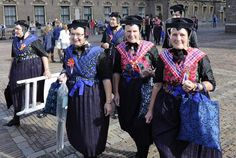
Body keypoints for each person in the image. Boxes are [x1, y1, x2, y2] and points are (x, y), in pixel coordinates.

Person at [146, 18, 222, 158]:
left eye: (182, 35)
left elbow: (211, 83)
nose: (178, 38)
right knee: (165, 144)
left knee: (187, 149)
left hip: (191, 106)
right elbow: (157, 84)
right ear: (169, 36)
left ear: (188, 36)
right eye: (174, 35)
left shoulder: (200, 57)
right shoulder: (163, 57)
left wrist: (196, 85)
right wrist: (150, 110)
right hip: (167, 107)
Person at [58, 20, 113, 158]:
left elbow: (106, 78)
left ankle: (92, 152)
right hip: (74, 96)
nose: (75, 37)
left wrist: (108, 101)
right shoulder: (68, 51)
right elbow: (66, 68)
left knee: (92, 131)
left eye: (79, 35)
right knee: (77, 127)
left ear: (86, 35)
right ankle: (84, 151)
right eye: (72, 34)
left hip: (93, 97)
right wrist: (63, 75)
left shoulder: (98, 53)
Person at [113, 15, 159, 158]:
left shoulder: (150, 48)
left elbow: (159, 70)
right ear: (124, 32)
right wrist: (116, 92)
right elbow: (116, 72)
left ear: (140, 31)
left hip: (144, 93)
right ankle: (141, 144)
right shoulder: (119, 49)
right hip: (126, 92)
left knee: (142, 125)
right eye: (128, 31)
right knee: (127, 122)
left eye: (134, 31)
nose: (131, 35)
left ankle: (142, 151)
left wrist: (151, 73)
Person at [4, 20, 51, 127]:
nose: (15, 31)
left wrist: (47, 69)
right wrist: (10, 71)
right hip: (17, 69)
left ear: (25, 30)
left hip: (32, 69)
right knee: (15, 90)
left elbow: (44, 55)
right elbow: (13, 57)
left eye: (17, 29)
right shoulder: (15, 40)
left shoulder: (34, 40)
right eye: (15, 29)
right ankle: (16, 118)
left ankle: (43, 108)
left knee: (35, 90)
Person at [101, 12, 125, 119]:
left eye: (113, 19)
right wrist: (104, 45)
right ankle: (112, 105)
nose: (111, 21)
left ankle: (119, 107)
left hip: (120, 59)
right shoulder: (107, 31)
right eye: (110, 19)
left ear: (118, 21)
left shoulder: (123, 32)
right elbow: (102, 43)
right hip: (109, 59)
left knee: (119, 83)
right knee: (110, 80)